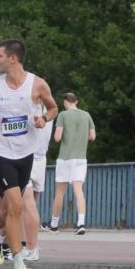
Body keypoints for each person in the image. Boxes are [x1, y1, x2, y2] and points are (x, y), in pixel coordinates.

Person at [0, 40, 56, 269]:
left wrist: (43, 118)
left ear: (13, 58)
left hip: (26, 155)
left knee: (7, 211)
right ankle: (19, 266)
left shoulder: (37, 84)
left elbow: (53, 108)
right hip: (2, 153)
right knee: (17, 206)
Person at [43, 93, 96, 235]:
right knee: (78, 190)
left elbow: (57, 138)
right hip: (81, 158)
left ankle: (54, 224)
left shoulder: (63, 115)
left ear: (65, 102)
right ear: (76, 101)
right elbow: (92, 136)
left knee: (60, 192)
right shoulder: (86, 115)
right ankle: (81, 223)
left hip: (65, 158)